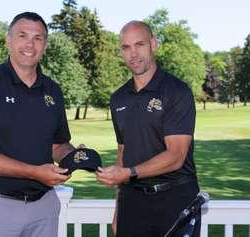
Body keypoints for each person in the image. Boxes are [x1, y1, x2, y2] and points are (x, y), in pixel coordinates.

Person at [0, 12, 77, 237]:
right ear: (8, 40)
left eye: (38, 38)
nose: (30, 44)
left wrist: (76, 157)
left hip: (43, 207)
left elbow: (57, 145)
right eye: (22, 35)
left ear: (46, 45)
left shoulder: (53, 90)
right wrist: (34, 172)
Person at [96, 21, 201, 237]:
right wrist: (119, 208)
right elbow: (123, 150)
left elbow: (176, 155)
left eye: (139, 44)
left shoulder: (176, 91)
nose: (133, 53)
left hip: (175, 198)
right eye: (126, 47)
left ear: (154, 44)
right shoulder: (118, 98)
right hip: (133, 202)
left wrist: (128, 173)